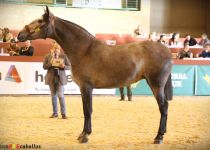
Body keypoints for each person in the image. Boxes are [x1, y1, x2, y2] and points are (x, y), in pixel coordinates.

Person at [43, 42, 71, 119]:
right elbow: (44, 66)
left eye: (57, 48)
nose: (56, 50)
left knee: (60, 95)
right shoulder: (47, 56)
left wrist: (64, 66)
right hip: (51, 77)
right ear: (52, 49)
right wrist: (50, 62)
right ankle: (55, 113)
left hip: (60, 78)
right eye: (55, 48)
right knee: (53, 96)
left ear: (60, 49)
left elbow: (69, 67)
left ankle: (63, 113)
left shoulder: (64, 56)